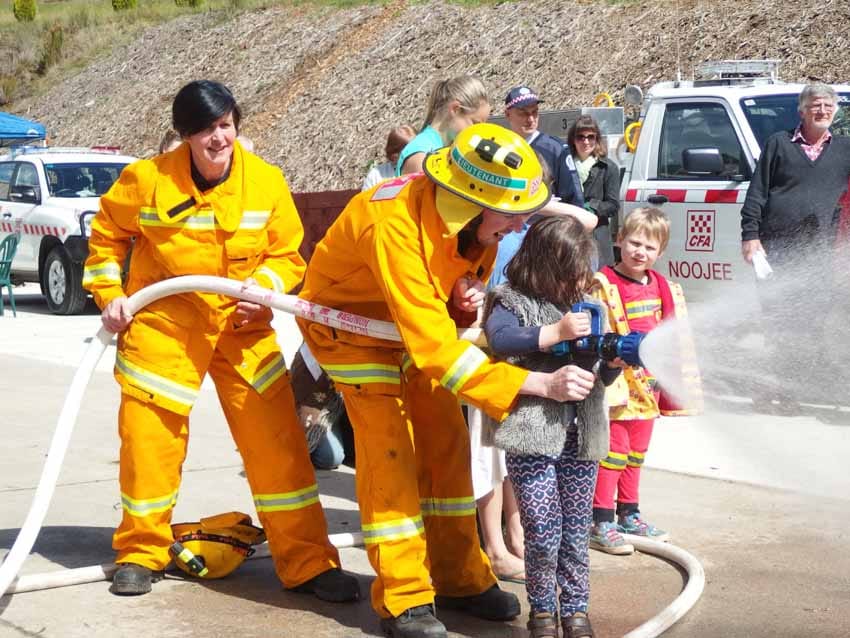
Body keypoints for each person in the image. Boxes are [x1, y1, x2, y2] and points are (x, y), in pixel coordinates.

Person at [297, 122, 597, 638]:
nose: (519, 226)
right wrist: (533, 386)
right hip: (354, 332)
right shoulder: (392, 224)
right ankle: (405, 599)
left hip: (416, 329)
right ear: (473, 203)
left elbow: (446, 309)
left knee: (447, 443)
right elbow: (438, 352)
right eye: (512, 214)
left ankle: (458, 578)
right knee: (389, 453)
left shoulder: (475, 223)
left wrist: (461, 302)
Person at [82, 80, 360, 602]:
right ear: (184, 134)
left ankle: (307, 562)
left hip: (242, 331)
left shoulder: (265, 182)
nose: (219, 138)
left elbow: (287, 255)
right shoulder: (146, 181)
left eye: (226, 125)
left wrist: (266, 291)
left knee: (279, 449)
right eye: (206, 129)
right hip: (166, 329)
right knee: (149, 445)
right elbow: (105, 237)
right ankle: (141, 552)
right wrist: (109, 293)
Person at [482, 214, 620, 638]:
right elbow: (501, 340)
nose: (579, 279)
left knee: (576, 532)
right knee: (542, 532)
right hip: (532, 437)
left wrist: (613, 363)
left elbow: (597, 373)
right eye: (571, 270)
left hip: (581, 438)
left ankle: (576, 611)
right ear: (545, 263)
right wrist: (555, 331)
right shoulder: (510, 300)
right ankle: (542, 611)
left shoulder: (589, 306)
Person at [589, 207, 701, 554]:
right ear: (619, 239)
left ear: (661, 252)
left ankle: (629, 513)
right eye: (634, 243)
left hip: (647, 386)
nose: (640, 252)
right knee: (614, 452)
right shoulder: (603, 283)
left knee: (636, 453)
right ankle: (600, 520)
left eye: (649, 247)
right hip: (618, 385)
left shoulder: (662, 286)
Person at [740, 83, 850, 405]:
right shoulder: (778, 143)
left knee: (812, 322)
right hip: (777, 250)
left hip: (820, 253)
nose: (822, 111)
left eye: (828, 105)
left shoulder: (845, 149)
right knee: (778, 321)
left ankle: (798, 388)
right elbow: (757, 193)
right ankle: (778, 389)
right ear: (801, 111)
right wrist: (750, 236)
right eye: (815, 105)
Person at [502, 85, 584, 207]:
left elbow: (574, 198)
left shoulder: (555, 149)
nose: (531, 119)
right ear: (507, 114)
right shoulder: (501, 148)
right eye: (523, 113)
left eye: (534, 112)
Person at [397, 75, 490, 175]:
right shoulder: (421, 156)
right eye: (475, 123)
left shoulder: (451, 151)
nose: (477, 132)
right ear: (456, 109)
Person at [568, 115, 620, 266]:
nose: (586, 142)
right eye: (580, 137)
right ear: (573, 140)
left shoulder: (608, 167)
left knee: (598, 279)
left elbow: (613, 205)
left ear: (597, 139)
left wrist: (591, 206)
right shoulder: (565, 165)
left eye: (591, 137)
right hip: (569, 236)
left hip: (597, 238)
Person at [362, 125, 416, 190]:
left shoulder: (421, 172)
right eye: (411, 153)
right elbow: (366, 195)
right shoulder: (376, 175)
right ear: (394, 156)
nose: (416, 156)